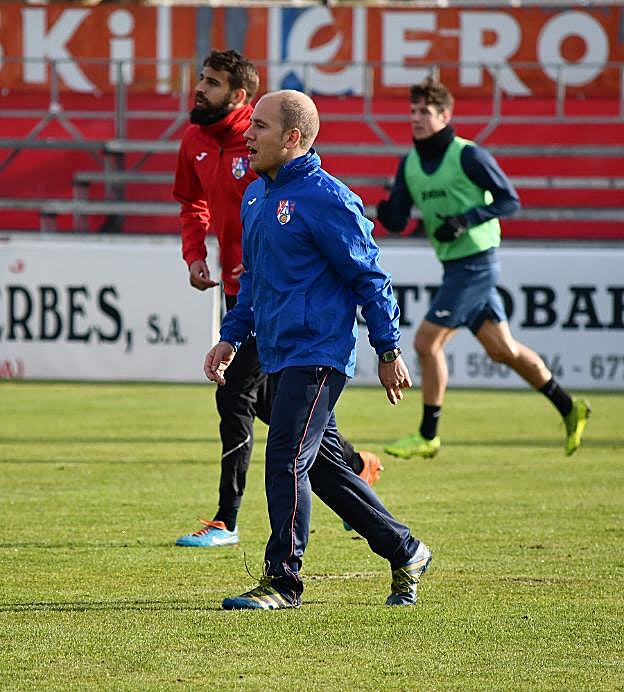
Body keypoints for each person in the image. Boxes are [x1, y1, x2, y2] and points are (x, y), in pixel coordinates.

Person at [204, 89, 432, 610]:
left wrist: (388, 349)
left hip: (318, 354)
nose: (247, 134)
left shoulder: (328, 198)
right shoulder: (256, 197)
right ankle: (406, 550)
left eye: (259, 126)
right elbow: (254, 282)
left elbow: (370, 277)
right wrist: (230, 336)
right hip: (278, 353)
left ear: (292, 137)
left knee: (285, 458)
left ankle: (283, 581)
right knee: (325, 470)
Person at [172, 50, 382, 548]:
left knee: (235, 396)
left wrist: (387, 345)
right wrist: (195, 253)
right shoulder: (195, 141)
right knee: (277, 406)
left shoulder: (267, 144)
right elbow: (192, 202)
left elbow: (310, 221)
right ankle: (358, 469)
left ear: (238, 95)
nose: (200, 88)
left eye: (212, 82)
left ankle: (226, 519)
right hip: (243, 296)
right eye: (201, 78)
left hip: (281, 303)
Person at [377, 77, 590, 460]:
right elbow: (398, 220)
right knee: (502, 350)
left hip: (476, 264)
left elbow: (509, 200)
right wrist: (386, 208)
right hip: (454, 266)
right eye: (413, 111)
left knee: (426, 343)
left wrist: (465, 219)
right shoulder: (409, 164)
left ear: (445, 116)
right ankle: (568, 406)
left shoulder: (468, 155)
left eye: (425, 111)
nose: (416, 118)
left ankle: (428, 435)